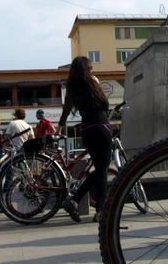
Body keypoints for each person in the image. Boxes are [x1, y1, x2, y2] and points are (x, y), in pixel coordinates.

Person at [56, 56, 111, 223]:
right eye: (91, 68)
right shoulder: (92, 83)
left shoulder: (72, 87)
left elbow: (66, 109)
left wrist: (59, 127)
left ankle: (74, 199)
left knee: (100, 168)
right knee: (103, 170)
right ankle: (101, 211)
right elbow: (105, 104)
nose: (93, 71)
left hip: (86, 129)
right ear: (87, 70)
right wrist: (97, 84)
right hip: (101, 126)